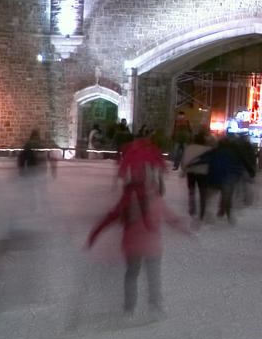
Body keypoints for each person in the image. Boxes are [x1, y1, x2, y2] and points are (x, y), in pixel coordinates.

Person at [86, 174, 179, 316]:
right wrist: (184, 228)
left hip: (132, 246)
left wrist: (94, 235)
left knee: (131, 275)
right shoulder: (157, 200)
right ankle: (155, 305)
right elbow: (171, 218)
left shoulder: (126, 200)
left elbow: (109, 218)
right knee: (153, 275)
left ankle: (129, 308)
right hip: (152, 246)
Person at [182, 131, 214, 218]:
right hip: (203, 172)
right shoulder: (207, 149)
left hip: (190, 171)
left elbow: (184, 160)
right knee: (202, 192)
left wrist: (184, 170)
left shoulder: (189, 148)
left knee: (191, 190)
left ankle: (192, 207)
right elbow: (211, 162)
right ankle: (202, 213)